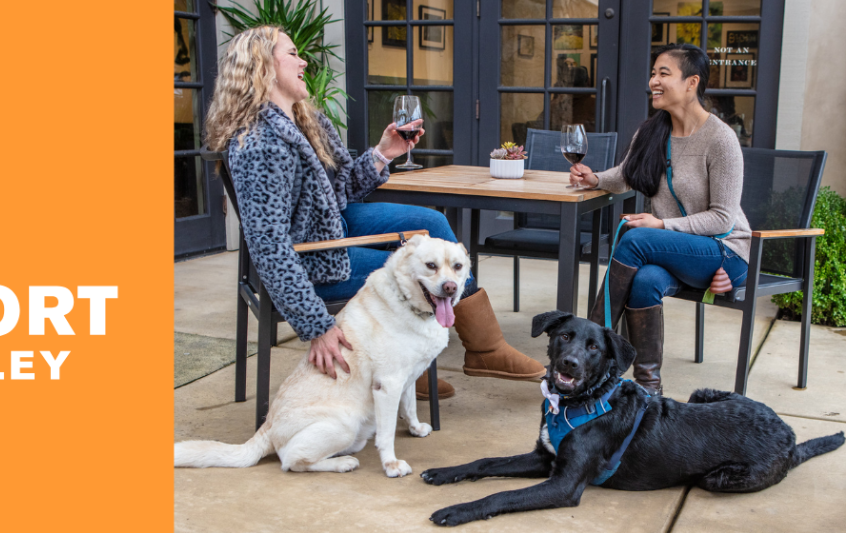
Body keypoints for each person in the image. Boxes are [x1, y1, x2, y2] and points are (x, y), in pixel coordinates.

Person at [204, 26, 544, 399]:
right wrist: (317, 325)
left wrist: (384, 153)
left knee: (431, 225)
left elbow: (342, 191)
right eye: (291, 54)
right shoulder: (260, 145)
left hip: (329, 228)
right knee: (415, 274)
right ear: (261, 67)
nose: (303, 61)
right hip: (309, 261)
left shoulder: (306, 121)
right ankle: (407, 365)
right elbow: (269, 246)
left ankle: (485, 350)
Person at [569, 44, 749, 395]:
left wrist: (662, 225)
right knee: (645, 281)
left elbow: (723, 217)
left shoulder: (721, 140)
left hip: (725, 251)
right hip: (675, 251)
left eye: (663, 74)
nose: (653, 80)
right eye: (653, 73)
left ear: (691, 82)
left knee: (634, 238)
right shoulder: (653, 131)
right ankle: (648, 390)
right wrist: (594, 179)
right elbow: (625, 175)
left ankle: (588, 347)